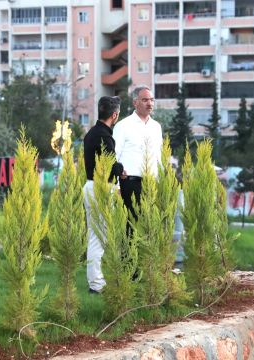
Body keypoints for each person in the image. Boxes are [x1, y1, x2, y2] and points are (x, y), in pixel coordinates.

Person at [82, 96, 125, 294]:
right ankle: (96, 285)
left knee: (94, 235)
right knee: (98, 237)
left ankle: (95, 282)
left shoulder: (91, 132)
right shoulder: (105, 136)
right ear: (114, 115)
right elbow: (110, 163)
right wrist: (121, 169)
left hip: (91, 185)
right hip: (100, 188)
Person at [113, 85, 162, 220]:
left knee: (149, 231)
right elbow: (113, 157)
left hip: (152, 185)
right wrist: (116, 186)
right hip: (129, 185)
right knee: (130, 230)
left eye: (152, 100)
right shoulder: (123, 126)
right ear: (135, 102)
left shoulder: (156, 127)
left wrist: (162, 182)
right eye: (145, 100)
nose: (150, 103)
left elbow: (159, 156)